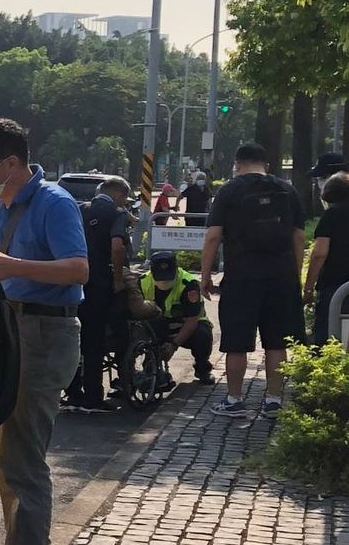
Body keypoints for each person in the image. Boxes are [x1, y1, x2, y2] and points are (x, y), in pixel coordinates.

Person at [0, 118, 88, 545]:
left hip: (45, 332)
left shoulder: (54, 203)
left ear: (10, 164)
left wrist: (12, 267)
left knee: (22, 452)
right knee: (3, 449)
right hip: (12, 329)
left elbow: (78, 269)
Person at [201, 141, 305, 418]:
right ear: (266, 165)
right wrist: (294, 274)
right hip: (281, 277)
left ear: (237, 164)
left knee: (236, 342)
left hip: (241, 277)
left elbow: (213, 237)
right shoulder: (287, 190)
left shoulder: (229, 191)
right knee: (277, 342)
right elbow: (298, 237)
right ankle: (273, 400)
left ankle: (234, 400)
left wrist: (205, 276)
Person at [63, 184, 130, 414]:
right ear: (118, 194)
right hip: (99, 284)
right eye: (125, 198)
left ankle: (73, 393)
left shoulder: (79, 209)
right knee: (94, 341)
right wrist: (118, 279)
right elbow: (117, 246)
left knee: (74, 338)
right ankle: (93, 397)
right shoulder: (116, 214)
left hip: (72, 280)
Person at [142, 250, 215, 383]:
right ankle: (151, 369)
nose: (164, 281)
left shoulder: (189, 283)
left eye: (168, 277)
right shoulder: (142, 282)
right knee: (150, 327)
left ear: (176, 269)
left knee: (203, 335)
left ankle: (202, 368)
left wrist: (173, 345)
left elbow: (192, 320)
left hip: (187, 326)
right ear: (151, 272)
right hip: (159, 325)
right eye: (160, 277)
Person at [305, 170, 349, 345]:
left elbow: (319, 253)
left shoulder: (331, 215)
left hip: (334, 284)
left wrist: (308, 288)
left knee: (328, 336)